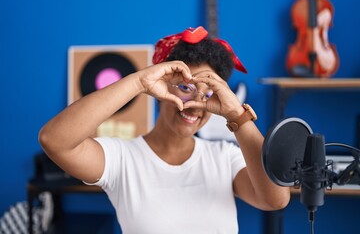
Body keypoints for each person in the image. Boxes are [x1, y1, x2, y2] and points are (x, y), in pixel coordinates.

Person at [38, 26, 290, 233]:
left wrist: (238, 115)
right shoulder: (122, 159)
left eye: (209, 93)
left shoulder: (225, 158)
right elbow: (55, 140)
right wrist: (138, 81)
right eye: (184, 88)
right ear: (158, 87)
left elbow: (275, 199)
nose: (194, 105)